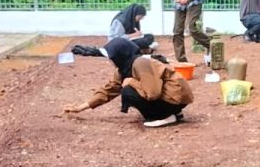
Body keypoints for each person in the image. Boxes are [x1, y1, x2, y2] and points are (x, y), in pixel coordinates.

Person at [64, 37, 192, 127]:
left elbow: (153, 93)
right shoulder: (123, 69)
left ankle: (163, 117)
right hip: (171, 99)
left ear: (120, 55)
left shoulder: (141, 63)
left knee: (128, 91)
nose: (111, 61)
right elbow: (109, 90)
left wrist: (131, 82)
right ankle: (171, 114)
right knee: (126, 87)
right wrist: (79, 108)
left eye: (112, 57)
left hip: (176, 98)